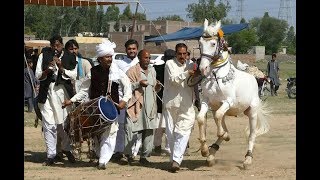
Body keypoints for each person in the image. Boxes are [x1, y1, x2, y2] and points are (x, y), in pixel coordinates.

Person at [62, 39, 132, 170]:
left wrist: (124, 101)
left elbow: (128, 88)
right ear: (100, 58)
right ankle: (100, 156)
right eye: (107, 57)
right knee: (95, 135)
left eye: (111, 56)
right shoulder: (93, 71)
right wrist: (71, 101)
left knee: (109, 135)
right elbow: (84, 90)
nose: (110, 59)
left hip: (112, 109)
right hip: (94, 108)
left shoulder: (117, 72)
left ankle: (103, 161)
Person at [35, 34, 77, 166]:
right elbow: (37, 76)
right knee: (49, 125)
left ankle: (66, 148)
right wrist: (47, 70)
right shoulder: (44, 54)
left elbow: (74, 75)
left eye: (58, 45)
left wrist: (61, 67)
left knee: (62, 125)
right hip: (46, 92)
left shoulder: (70, 56)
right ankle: (51, 155)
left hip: (62, 93)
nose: (55, 48)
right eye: (53, 45)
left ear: (62, 46)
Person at [162, 43, 196, 172]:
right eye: (180, 54)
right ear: (176, 54)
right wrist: (187, 73)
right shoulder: (169, 64)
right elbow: (173, 80)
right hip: (171, 104)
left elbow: (197, 80)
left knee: (184, 131)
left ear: (187, 53)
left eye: (184, 54)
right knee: (171, 134)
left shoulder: (191, 64)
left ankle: (176, 160)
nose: (182, 56)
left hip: (187, 104)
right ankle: (174, 159)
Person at [124, 49, 162, 164]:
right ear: (139, 58)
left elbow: (154, 88)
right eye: (146, 58)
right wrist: (138, 84)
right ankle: (129, 155)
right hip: (135, 105)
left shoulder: (152, 70)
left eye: (149, 58)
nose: (148, 60)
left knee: (149, 131)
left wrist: (158, 86)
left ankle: (144, 157)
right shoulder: (132, 71)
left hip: (150, 106)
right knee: (131, 130)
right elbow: (126, 87)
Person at [111, 39, 141, 163]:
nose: (132, 51)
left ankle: (133, 151)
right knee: (120, 125)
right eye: (129, 49)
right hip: (122, 97)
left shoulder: (141, 62)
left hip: (138, 98)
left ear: (137, 49)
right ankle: (119, 150)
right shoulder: (119, 63)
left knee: (135, 125)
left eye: (134, 49)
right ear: (126, 50)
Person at [153, 49, 175, 156]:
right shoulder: (157, 69)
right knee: (158, 127)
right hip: (159, 102)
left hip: (172, 103)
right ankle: (157, 146)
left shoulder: (177, 70)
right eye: (168, 59)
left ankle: (168, 147)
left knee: (170, 127)